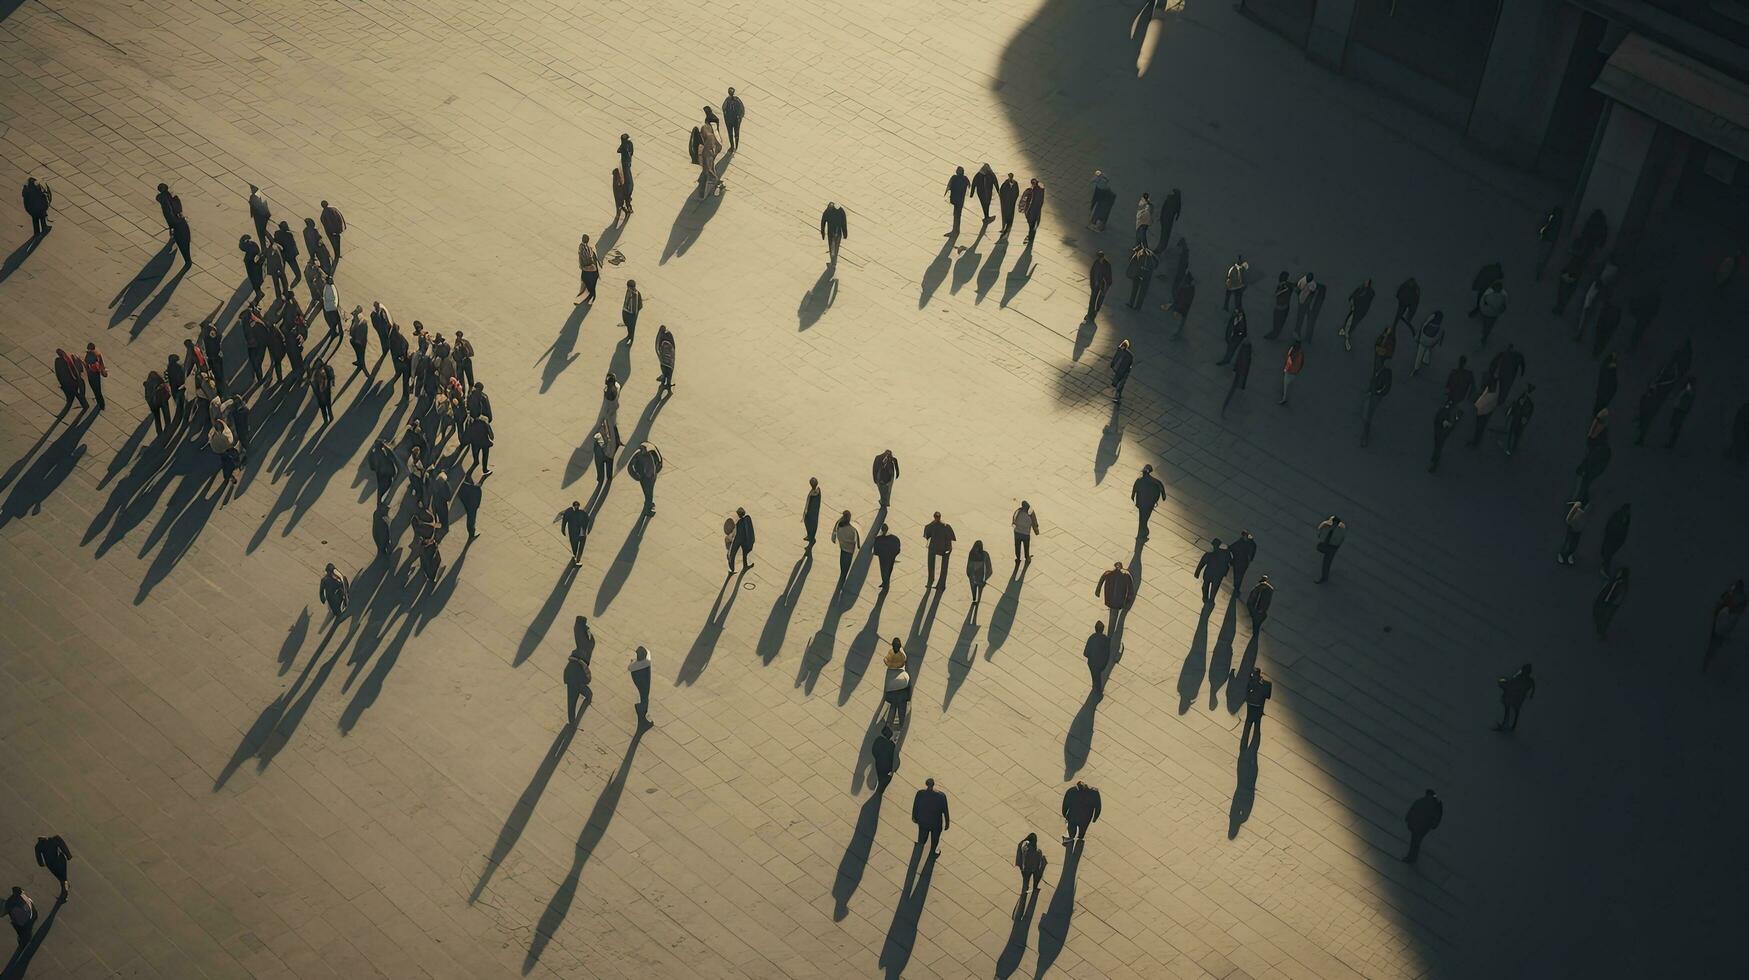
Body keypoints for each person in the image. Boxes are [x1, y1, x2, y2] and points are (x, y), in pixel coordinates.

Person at [1705, 580, 1747, 672]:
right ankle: (1707, 664)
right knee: (1713, 646)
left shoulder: (1740, 599)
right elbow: (1724, 599)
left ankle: (1709, 665)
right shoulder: (1733, 595)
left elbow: (1735, 612)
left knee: (1715, 646)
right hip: (1721, 623)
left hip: (1723, 626)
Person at [911, 778, 949, 857]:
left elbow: (915, 806)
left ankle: (918, 852)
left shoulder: (920, 793)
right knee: (935, 840)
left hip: (923, 822)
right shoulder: (941, 796)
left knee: (922, 838)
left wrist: (914, 817)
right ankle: (933, 853)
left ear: (926, 784)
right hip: (936, 824)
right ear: (933, 784)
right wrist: (947, 823)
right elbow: (945, 811)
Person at [1402, 790, 1443, 863]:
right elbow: (1436, 817)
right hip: (1424, 827)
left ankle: (1411, 857)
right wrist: (1433, 825)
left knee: (1414, 841)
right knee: (1417, 842)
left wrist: (1408, 820)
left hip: (1417, 825)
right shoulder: (1435, 804)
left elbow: (1413, 809)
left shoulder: (1421, 801)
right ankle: (1413, 857)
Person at [1494, 664, 1536, 731]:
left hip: (1514, 697)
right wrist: (1531, 694)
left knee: (1509, 710)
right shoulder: (1530, 680)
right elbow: (1532, 688)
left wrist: (1503, 683)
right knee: (1515, 711)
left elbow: (1510, 683)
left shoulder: (1520, 677)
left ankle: (1507, 725)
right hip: (1518, 698)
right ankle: (1511, 726)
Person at [1095, 561, 1134, 634]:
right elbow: (1131, 590)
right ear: (1121, 568)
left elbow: (1101, 582)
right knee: (1113, 617)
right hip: (1119, 602)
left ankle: (1110, 633)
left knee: (1112, 617)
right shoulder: (1126, 576)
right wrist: (1128, 602)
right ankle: (1111, 633)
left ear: (1114, 567)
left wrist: (1097, 592)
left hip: (1109, 600)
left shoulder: (1108, 573)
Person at [1360, 364, 1393, 448]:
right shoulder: (1380, 370)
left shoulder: (1386, 373)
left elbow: (1385, 389)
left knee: (1367, 416)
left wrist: (1376, 392)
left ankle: (1365, 437)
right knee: (1367, 414)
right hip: (1372, 394)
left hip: (1375, 396)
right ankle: (1365, 434)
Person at [1593, 567, 1630, 639]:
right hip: (1605, 599)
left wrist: (1611, 603)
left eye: (1620, 573)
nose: (1618, 573)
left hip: (1611, 604)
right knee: (1598, 613)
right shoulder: (1616, 579)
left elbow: (1618, 597)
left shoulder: (1623, 585)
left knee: (1605, 617)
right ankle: (1600, 629)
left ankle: (1601, 633)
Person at [627, 442, 662, 517]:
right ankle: (648, 511)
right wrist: (637, 476)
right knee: (648, 494)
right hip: (644, 479)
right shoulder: (637, 456)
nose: (644, 450)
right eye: (642, 449)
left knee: (649, 493)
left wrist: (657, 469)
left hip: (652, 477)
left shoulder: (651, 453)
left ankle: (648, 504)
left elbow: (659, 460)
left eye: (644, 448)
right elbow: (629, 467)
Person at [1131, 464, 1165, 541]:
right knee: (1145, 518)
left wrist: (1133, 497)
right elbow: (1161, 486)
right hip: (1149, 504)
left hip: (1141, 503)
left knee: (1142, 518)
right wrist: (1163, 496)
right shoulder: (1154, 481)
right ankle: (1143, 532)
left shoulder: (1139, 480)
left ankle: (1142, 532)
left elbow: (1134, 491)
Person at [1193, 538, 1231, 606]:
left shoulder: (1209, 554)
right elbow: (1227, 567)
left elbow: (1201, 563)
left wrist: (1197, 573)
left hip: (1208, 574)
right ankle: (1211, 600)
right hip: (1217, 576)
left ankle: (1205, 598)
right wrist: (1224, 574)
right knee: (1214, 588)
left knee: (1205, 586)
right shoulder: (1226, 557)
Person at [1339, 278, 1374, 350]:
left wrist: (1354, 301)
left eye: (1367, 282)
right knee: (1349, 318)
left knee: (1353, 321)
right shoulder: (1361, 288)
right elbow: (1355, 294)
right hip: (1356, 308)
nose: (1365, 282)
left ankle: (1347, 335)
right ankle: (1345, 330)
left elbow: (1363, 301)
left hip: (1359, 310)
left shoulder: (1369, 293)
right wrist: (1352, 299)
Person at [923, 512, 956, 590]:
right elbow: (951, 537)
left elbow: (926, 534)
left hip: (935, 548)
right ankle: (938, 583)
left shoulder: (933, 525)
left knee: (933, 564)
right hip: (942, 548)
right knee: (942, 566)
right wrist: (949, 547)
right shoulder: (945, 526)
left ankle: (933, 581)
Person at [32, 835, 71, 900]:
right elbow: (63, 846)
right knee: (63, 876)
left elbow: (39, 858)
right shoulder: (54, 839)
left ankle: (64, 892)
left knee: (61, 878)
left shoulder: (38, 846)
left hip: (52, 865)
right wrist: (68, 855)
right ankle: (65, 885)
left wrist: (41, 864)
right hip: (61, 860)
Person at [1221, 339, 1253, 417]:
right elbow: (1243, 366)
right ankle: (1223, 410)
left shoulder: (1243, 353)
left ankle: (1224, 410)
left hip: (1239, 374)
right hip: (1239, 375)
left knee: (1232, 391)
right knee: (1231, 392)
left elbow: (1240, 363)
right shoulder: (1246, 354)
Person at [1503, 384, 1537, 456]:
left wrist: (1524, 420)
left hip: (1520, 420)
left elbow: (1528, 413)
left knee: (1516, 435)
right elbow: (1518, 403)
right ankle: (1508, 446)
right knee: (1511, 431)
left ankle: (1512, 449)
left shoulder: (1531, 403)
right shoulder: (1524, 395)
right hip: (1516, 416)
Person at [831, 511, 861, 591]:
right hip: (850, 549)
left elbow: (835, 530)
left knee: (842, 560)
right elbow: (856, 537)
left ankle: (842, 574)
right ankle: (844, 575)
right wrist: (858, 545)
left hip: (842, 546)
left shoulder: (840, 524)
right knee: (847, 563)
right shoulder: (852, 528)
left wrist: (834, 538)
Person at [1598, 503, 1631, 577]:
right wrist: (1609, 532)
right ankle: (1605, 569)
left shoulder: (1627, 518)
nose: (1627, 512)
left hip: (1618, 539)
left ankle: (1604, 564)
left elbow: (1625, 530)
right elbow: (1610, 524)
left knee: (1610, 552)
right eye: (1626, 510)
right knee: (1608, 553)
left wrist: (1622, 539)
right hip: (1612, 536)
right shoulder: (1617, 515)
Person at [1241, 668, 1272, 745]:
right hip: (1258, 706)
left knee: (1248, 723)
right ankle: (1254, 741)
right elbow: (1267, 695)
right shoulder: (1264, 684)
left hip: (1251, 705)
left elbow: (1246, 692)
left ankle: (1245, 742)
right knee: (1257, 724)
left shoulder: (1250, 682)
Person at [52, 347, 87, 414]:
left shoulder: (63, 359)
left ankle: (83, 404)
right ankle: (84, 404)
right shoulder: (65, 358)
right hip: (71, 381)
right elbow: (59, 373)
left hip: (71, 380)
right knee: (75, 393)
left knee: (75, 394)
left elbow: (58, 373)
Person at [1429, 400, 1460, 473]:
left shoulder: (1449, 412)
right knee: (1437, 445)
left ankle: (1434, 465)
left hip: (1441, 432)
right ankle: (1434, 459)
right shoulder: (1448, 411)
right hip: (1440, 431)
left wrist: (1445, 423)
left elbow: (1450, 424)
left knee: (1438, 447)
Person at [1124, 241, 1158, 308]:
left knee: (1135, 289)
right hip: (1147, 274)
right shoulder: (1150, 253)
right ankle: (1138, 306)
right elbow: (1157, 262)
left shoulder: (1138, 254)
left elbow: (1131, 263)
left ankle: (1131, 303)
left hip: (1138, 273)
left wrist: (1130, 273)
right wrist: (1152, 269)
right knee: (1142, 291)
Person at [1410, 311, 1444, 376]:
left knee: (1420, 353)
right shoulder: (1439, 325)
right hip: (1430, 340)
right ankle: (1424, 361)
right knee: (1426, 350)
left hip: (1424, 339)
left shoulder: (1431, 320)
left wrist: (1418, 337)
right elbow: (1439, 334)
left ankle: (1416, 369)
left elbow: (1424, 325)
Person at [1666, 377, 1697, 448]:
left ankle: (1671, 443)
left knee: (1676, 427)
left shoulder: (1689, 391)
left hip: (1681, 410)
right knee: (1673, 425)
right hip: (1678, 408)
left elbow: (1686, 399)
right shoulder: (1686, 390)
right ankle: (1670, 442)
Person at [558, 500, 591, 566]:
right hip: (573, 533)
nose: (576, 507)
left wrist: (587, 529)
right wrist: (563, 529)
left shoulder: (582, 513)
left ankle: (577, 559)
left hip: (580, 533)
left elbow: (587, 520)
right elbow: (564, 521)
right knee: (574, 545)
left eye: (577, 506)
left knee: (580, 547)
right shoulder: (569, 512)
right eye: (575, 506)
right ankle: (575, 556)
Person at [564, 646, 592, 724]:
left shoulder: (570, 664)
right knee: (588, 693)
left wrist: (566, 681)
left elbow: (565, 673)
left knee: (571, 703)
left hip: (570, 686)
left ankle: (571, 720)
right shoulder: (581, 665)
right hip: (578, 686)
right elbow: (586, 676)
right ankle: (588, 699)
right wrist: (585, 682)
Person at [1083, 621, 1111, 696]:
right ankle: (1097, 690)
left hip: (1092, 663)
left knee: (1095, 676)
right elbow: (1107, 652)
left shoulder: (1092, 637)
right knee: (1097, 675)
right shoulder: (1106, 639)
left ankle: (1096, 689)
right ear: (1103, 629)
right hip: (1102, 663)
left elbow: (1085, 653)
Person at [1015, 833, 1048, 899]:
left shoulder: (1024, 846)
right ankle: (1035, 888)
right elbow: (1039, 861)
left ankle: (1025, 891)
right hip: (1034, 869)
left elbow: (1020, 848)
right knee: (1036, 878)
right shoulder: (1037, 851)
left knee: (1026, 881)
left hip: (1025, 869)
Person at [1315, 515, 1345, 583]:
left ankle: (1324, 578)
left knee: (1326, 563)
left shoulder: (1339, 531)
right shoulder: (1332, 528)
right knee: (1326, 562)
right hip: (1329, 546)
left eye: (1332, 522)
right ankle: (1324, 577)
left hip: (1331, 548)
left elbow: (1337, 541)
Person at [883, 657, 912, 728]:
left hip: (892, 690)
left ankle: (889, 724)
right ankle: (901, 724)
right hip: (903, 689)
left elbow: (887, 682)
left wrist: (885, 695)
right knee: (902, 708)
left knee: (893, 706)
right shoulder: (903, 659)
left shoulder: (890, 669)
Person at [1477, 281, 1508, 345]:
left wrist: (1482, 308)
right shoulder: (1501, 297)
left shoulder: (1488, 293)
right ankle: (1484, 338)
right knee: (1488, 327)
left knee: (1485, 323)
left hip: (1484, 312)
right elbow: (1502, 309)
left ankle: (1483, 332)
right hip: (1492, 315)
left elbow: (1482, 300)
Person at [872, 523, 901, 590]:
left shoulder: (878, 539)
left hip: (883, 558)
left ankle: (885, 582)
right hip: (891, 557)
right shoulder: (895, 538)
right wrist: (894, 555)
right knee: (889, 569)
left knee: (883, 570)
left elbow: (875, 552)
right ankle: (886, 582)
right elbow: (898, 549)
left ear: (881, 530)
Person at [629, 645, 653, 725]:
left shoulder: (635, 665)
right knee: (645, 696)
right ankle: (643, 713)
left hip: (639, 681)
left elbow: (630, 668)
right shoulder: (647, 660)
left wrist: (632, 661)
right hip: (645, 681)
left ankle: (643, 713)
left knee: (643, 695)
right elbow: (648, 652)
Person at [966, 540, 994, 606]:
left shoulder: (984, 554)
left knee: (979, 588)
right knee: (973, 588)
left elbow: (988, 567)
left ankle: (977, 600)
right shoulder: (973, 553)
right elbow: (968, 564)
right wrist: (968, 573)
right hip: (973, 574)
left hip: (979, 575)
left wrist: (985, 578)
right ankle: (974, 599)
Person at [1086, 250, 1112, 320]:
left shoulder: (1107, 265)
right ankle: (1089, 314)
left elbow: (1109, 277)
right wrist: (1092, 283)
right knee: (1092, 300)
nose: (1099, 259)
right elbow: (1092, 272)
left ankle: (1094, 313)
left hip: (1103, 286)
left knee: (1099, 302)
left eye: (1100, 257)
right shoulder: (1096, 263)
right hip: (1095, 285)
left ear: (1103, 257)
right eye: (1098, 257)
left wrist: (1107, 286)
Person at [1265, 271, 1292, 340]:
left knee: (1277, 326)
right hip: (1282, 308)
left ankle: (1274, 336)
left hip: (1281, 309)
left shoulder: (1284, 286)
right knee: (1278, 326)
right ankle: (1275, 334)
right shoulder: (1286, 285)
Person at [1169, 270, 1196, 337]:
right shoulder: (1188, 288)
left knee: (1180, 321)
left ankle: (1177, 333)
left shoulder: (1188, 289)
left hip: (1183, 307)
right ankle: (1177, 333)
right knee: (1180, 321)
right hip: (1183, 306)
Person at [1012, 501, 1039, 565]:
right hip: (1026, 534)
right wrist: (1036, 532)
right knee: (1026, 546)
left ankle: (1018, 558)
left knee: (1017, 546)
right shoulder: (1031, 512)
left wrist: (1014, 525)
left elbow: (1014, 518)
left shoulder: (1018, 511)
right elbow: (1034, 522)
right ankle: (1027, 558)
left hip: (1017, 532)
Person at [871, 726, 899, 791]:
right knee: (884, 778)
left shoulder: (878, 739)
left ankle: (878, 787)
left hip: (879, 763)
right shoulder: (892, 745)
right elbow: (892, 757)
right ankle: (881, 788)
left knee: (880, 776)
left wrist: (877, 757)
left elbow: (874, 750)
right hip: (887, 766)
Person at [944, 166, 969, 235]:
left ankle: (955, 231)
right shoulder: (965, 179)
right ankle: (956, 230)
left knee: (956, 215)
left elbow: (949, 186)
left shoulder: (954, 178)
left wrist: (946, 193)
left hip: (955, 200)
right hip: (961, 200)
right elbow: (968, 186)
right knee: (958, 215)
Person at [730, 507, 756, 573]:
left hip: (740, 540)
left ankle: (744, 566)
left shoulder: (739, 522)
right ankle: (732, 568)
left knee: (735, 553)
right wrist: (751, 540)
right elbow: (749, 530)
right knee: (736, 554)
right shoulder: (746, 519)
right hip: (742, 540)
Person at [1278, 340, 1304, 405]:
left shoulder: (1294, 351)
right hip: (1293, 371)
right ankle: (1285, 398)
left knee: (1286, 385)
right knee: (1287, 385)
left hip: (1290, 370)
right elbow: (1301, 363)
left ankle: (1284, 398)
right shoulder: (1300, 353)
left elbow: (1290, 357)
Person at [1019, 178, 1044, 244]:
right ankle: (1030, 236)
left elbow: (1023, 199)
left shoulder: (1033, 190)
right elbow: (1024, 198)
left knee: (1031, 224)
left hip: (1032, 211)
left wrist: (1021, 207)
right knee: (1032, 224)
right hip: (1032, 211)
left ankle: (1030, 237)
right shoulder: (1038, 190)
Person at [576, 234, 600, 303]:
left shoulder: (584, 248)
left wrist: (584, 267)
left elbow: (591, 260)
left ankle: (591, 296)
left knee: (590, 284)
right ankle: (589, 296)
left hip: (589, 269)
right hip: (588, 269)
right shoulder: (583, 247)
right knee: (588, 283)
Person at [997, 172, 1020, 238]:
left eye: (1011, 176)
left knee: (1010, 215)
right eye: (1009, 176)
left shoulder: (1015, 183)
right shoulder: (1005, 183)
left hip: (1011, 202)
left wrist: (1014, 199)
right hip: (1005, 202)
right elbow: (1001, 192)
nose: (1010, 177)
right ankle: (1003, 227)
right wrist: (1003, 198)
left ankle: (1007, 228)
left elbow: (1017, 192)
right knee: (1004, 215)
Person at [801, 477, 823, 545]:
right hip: (815, 511)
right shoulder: (818, 490)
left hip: (811, 512)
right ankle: (810, 536)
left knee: (809, 523)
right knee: (812, 524)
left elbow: (808, 503)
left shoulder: (813, 494)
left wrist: (805, 512)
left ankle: (811, 537)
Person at [655, 323, 676, 393]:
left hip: (663, 361)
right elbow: (673, 346)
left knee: (664, 373)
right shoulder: (669, 334)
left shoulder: (660, 336)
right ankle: (668, 388)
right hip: (670, 361)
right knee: (669, 375)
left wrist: (660, 357)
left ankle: (663, 383)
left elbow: (657, 347)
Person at [620, 279, 642, 344]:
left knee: (631, 327)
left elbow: (638, 306)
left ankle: (631, 339)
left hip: (632, 315)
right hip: (626, 312)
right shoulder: (628, 291)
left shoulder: (636, 295)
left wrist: (634, 314)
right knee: (628, 325)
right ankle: (629, 335)